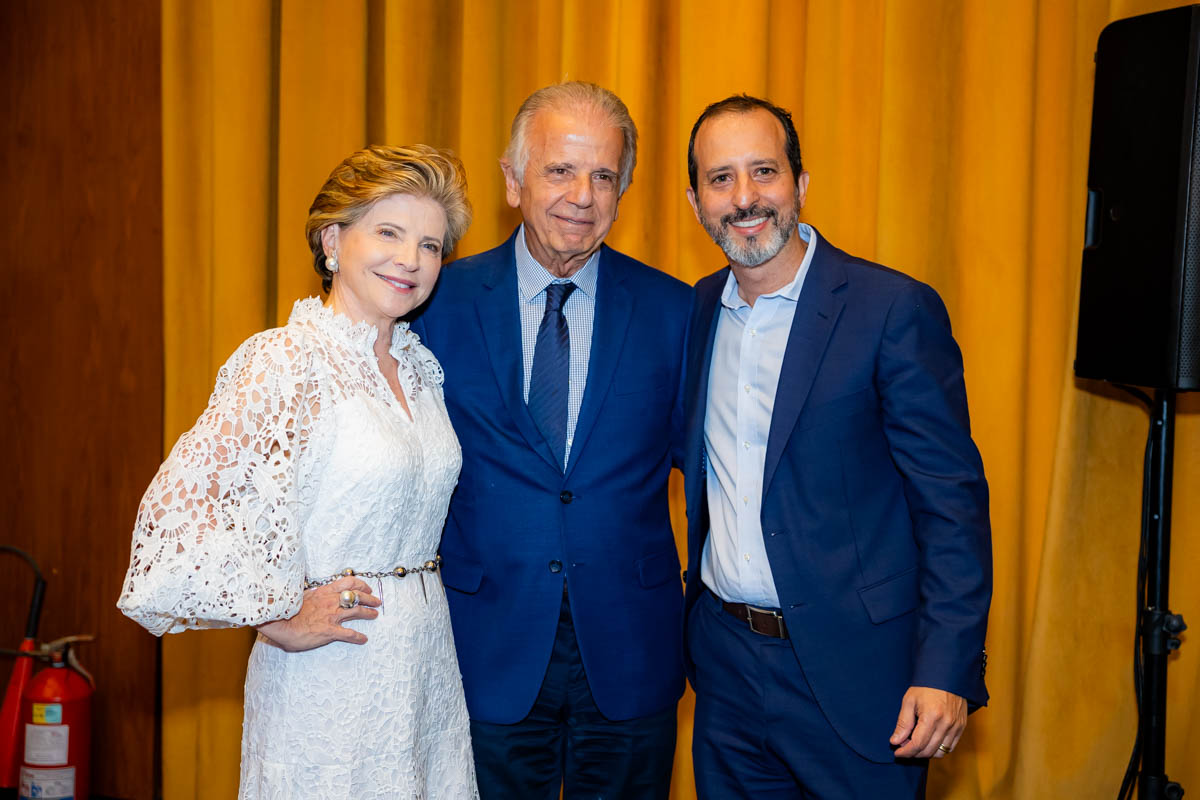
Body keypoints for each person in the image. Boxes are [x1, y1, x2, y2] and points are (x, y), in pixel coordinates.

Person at [117, 145, 479, 799]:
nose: (412, 259)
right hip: (329, 673)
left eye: (430, 245)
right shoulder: (285, 360)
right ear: (333, 240)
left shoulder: (420, 368)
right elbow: (183, 504)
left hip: (424, 668)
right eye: (390, 233)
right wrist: (276, 614)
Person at [681, 94, 992, 799]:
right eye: (720, 179)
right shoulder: (696, 311)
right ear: (696, 200)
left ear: (801, 182)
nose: (745, 198)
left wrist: (945, 668)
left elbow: (952, 507)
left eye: (764, 171)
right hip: (726, 673)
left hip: (862, 681)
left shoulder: (891, 310)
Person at [412, 81, 690, 799]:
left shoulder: (676, 310)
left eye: (604, 175)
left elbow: (723, 469)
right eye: (560, 170)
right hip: (485, 643)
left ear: (623, 192)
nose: (582, 195)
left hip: (631, 650)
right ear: (513, 181)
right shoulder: (435, 302)